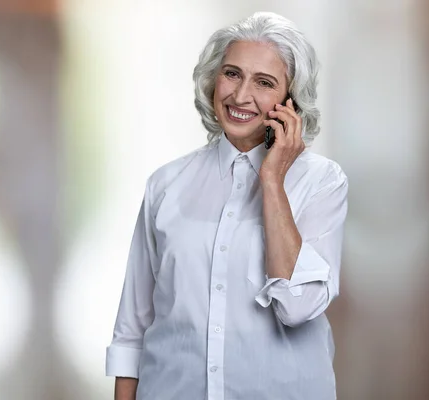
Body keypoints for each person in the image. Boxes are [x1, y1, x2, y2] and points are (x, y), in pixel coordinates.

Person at [106, 11, 348, 400]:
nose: (240, 95)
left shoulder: (321, 183)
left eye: (264, 82)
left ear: (291, 101)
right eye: (232, 73)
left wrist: (272, 180)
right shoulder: (166, 184)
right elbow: (133, 328)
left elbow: (297, 305)